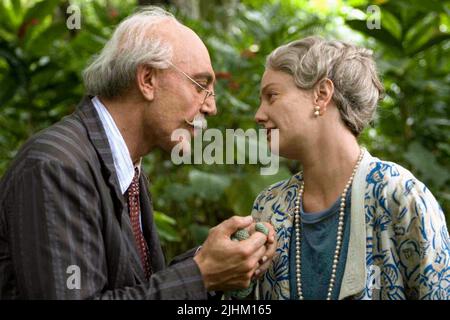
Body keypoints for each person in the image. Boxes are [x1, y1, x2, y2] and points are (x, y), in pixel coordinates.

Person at [0, 7, 276, 299]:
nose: (211, 106)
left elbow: (132, 288)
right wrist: (201, 275)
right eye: (200, 85)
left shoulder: (123, 167)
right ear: (147, 79)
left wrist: (212, 261)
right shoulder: (57, 165)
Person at [251, 36, 450, 300]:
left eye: (272, 96)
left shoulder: (401, 196)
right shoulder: (269, 207)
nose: (258, 114)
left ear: (321, 95)